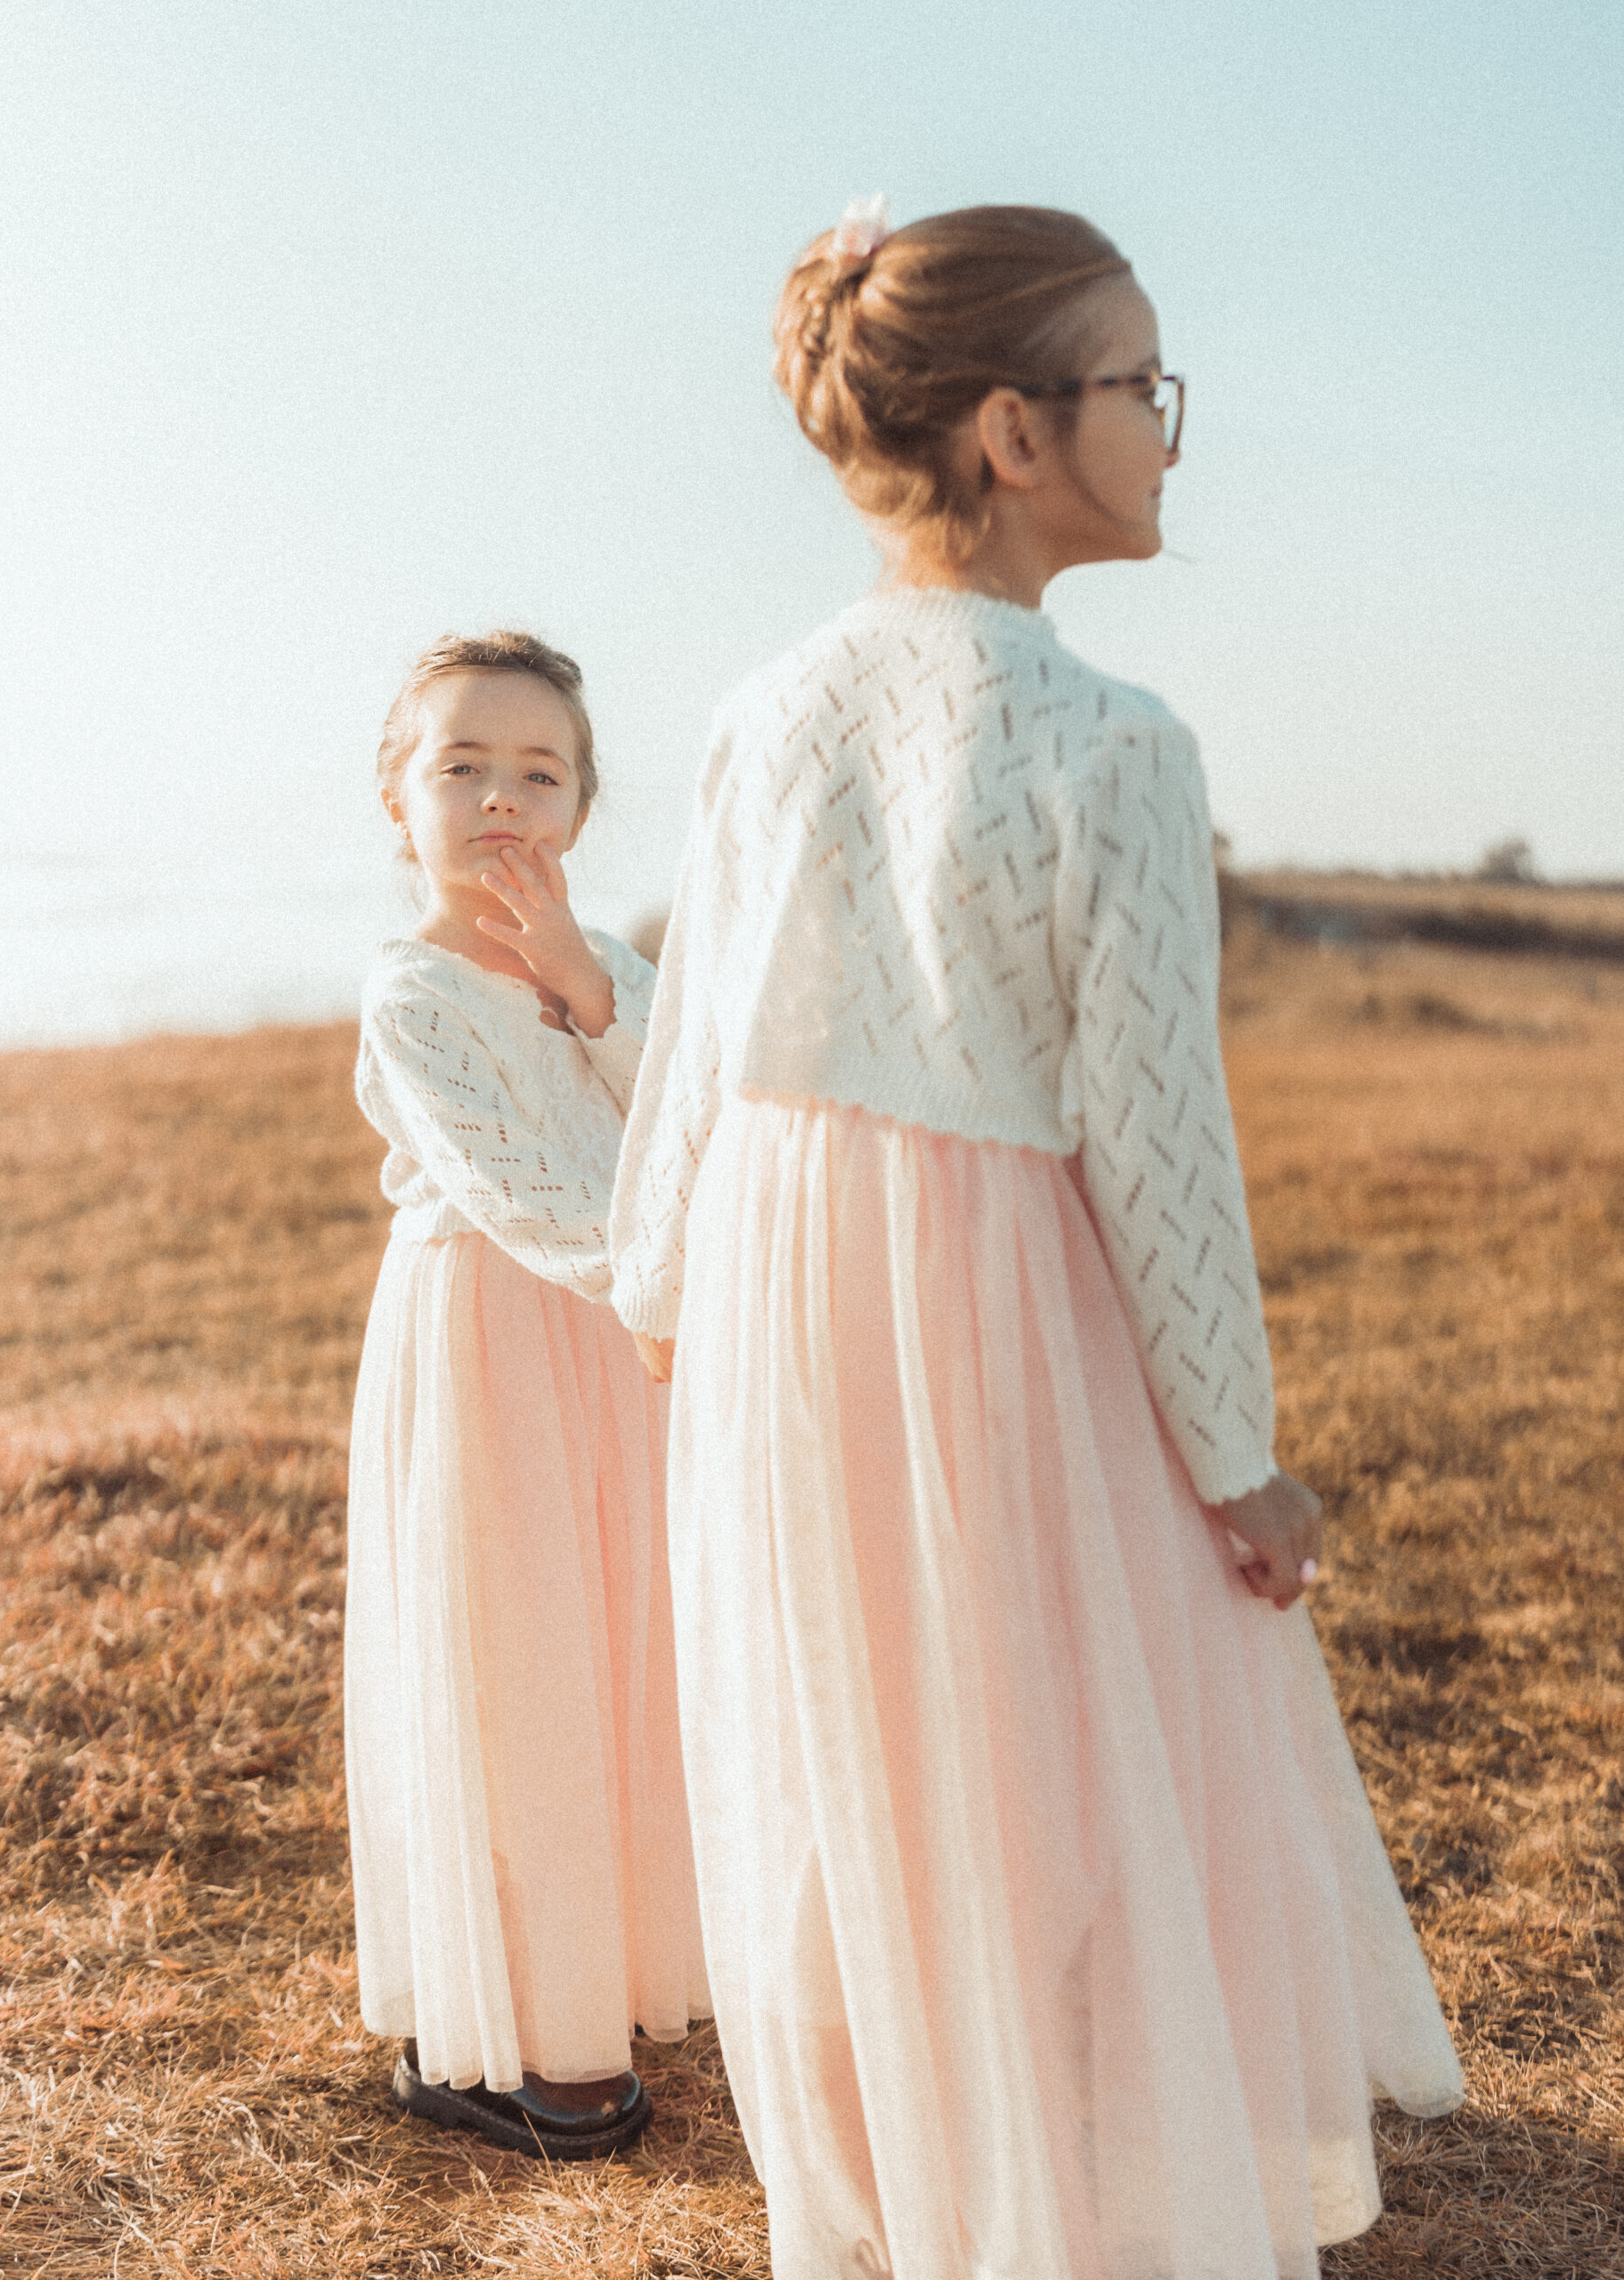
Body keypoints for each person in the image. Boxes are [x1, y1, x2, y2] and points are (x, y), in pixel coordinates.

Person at [610, 205, 1464, 2277]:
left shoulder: (765, 703)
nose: (1167, 433)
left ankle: (926, 2170)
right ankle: (1078, 2182)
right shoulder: (1112, 744)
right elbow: (1158, 1145)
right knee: (1062, 1707)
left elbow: (696, 1048)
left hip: (788, 1276)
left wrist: (661, 1290)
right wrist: (1232, 1458)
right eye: (1137, 389)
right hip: (996, 1276)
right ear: (1011, 429)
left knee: (869, 1720)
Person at [345, 630, 708, 2160]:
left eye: (538, 771)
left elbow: (693, 1129)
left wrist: (595, 995)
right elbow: (531, 1189)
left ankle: (624, 1977)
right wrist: (661, 1295)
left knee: (634, 1646)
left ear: (580, 802)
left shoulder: (610, 964)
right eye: (462, 766)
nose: (502, 799)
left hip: (628, 1350)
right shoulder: (412, 992)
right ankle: (534, 2042)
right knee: (520, 1665)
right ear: (397, 798)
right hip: (500, 1339)